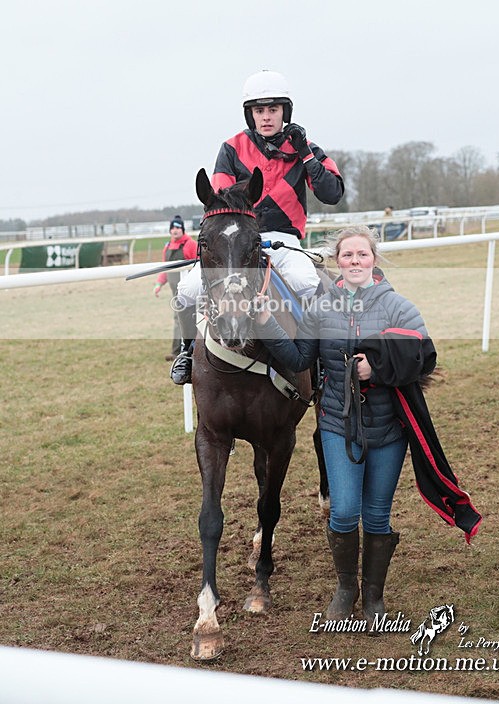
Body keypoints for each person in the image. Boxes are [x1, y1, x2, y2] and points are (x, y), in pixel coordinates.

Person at [253, 225, 481, 629]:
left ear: (373, 259)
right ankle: (346, 589)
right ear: (337, 261)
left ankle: (373, 596)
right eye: (347, 255)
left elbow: (423, 357)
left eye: (362, 254)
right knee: (342, 512)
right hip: (338, 425)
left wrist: (376, 367)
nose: (355, 261)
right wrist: (270, 322)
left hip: (389, 429)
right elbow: (299, 357)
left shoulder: (398, 306)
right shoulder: (320, 308)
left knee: (377, 516)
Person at [170, 69, 345, 384]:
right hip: (237, 240)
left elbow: (332, 192)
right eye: (259, 110)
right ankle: (186, 352)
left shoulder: (306, 148)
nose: (266, 117)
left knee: (306, 282)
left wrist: (304, 152)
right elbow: (219, 199)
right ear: (250, 114)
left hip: (283, 239)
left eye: (273, 110)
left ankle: (319, 364)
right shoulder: (231, 147)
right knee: (187, 289)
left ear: (284, 112)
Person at [153, 215, 197, 361]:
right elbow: (166, 269)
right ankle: (178, 350)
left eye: (178, 227)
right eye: (172, 227)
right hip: (175, 291)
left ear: (182, 229)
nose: (175, 230)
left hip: (190, 290)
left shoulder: (190, 244)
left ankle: (183, 350)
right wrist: (159, 284)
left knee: (185, 318)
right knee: (178, 318)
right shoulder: (167, 247)